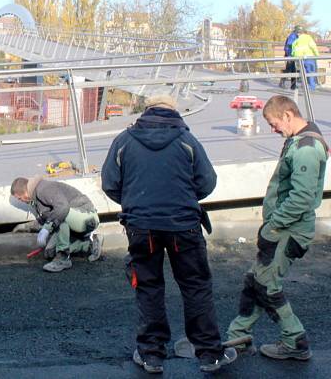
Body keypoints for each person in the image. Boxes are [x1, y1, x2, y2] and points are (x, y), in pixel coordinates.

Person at [101, 94, 236, 374]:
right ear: (174, 112)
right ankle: (210, 355)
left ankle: (151, 355)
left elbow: (110, 184)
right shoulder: (187, 140)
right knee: (195, 286)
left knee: (149, 287)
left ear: (147, 111)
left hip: (141, 226)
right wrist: (183, 198)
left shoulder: (124, 140)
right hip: (183, 225)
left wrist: (135, 202)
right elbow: (207, 182)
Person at [225, 95, 328, 361]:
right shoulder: (297, 142)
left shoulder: (306, 147)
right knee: (256, 281)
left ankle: (295, 341)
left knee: (267, 286)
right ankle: (238, 336)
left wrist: (273, 226)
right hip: (284, 229)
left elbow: (302, 198)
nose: (273, 130)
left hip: (288, 231)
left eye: (273, 123)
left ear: (287, 115)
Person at [10, 176, 103, 272]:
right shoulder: (36, 199)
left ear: (25, 192)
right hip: (72, 219)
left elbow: (62, 208)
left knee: (60, 215)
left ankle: (63, 259)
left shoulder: (43, 189)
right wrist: (26, 227)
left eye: (20, 199)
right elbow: (45, 219)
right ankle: (90, 245)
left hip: (86, 217)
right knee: (50, 252)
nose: (22, 201)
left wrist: (47, 228)